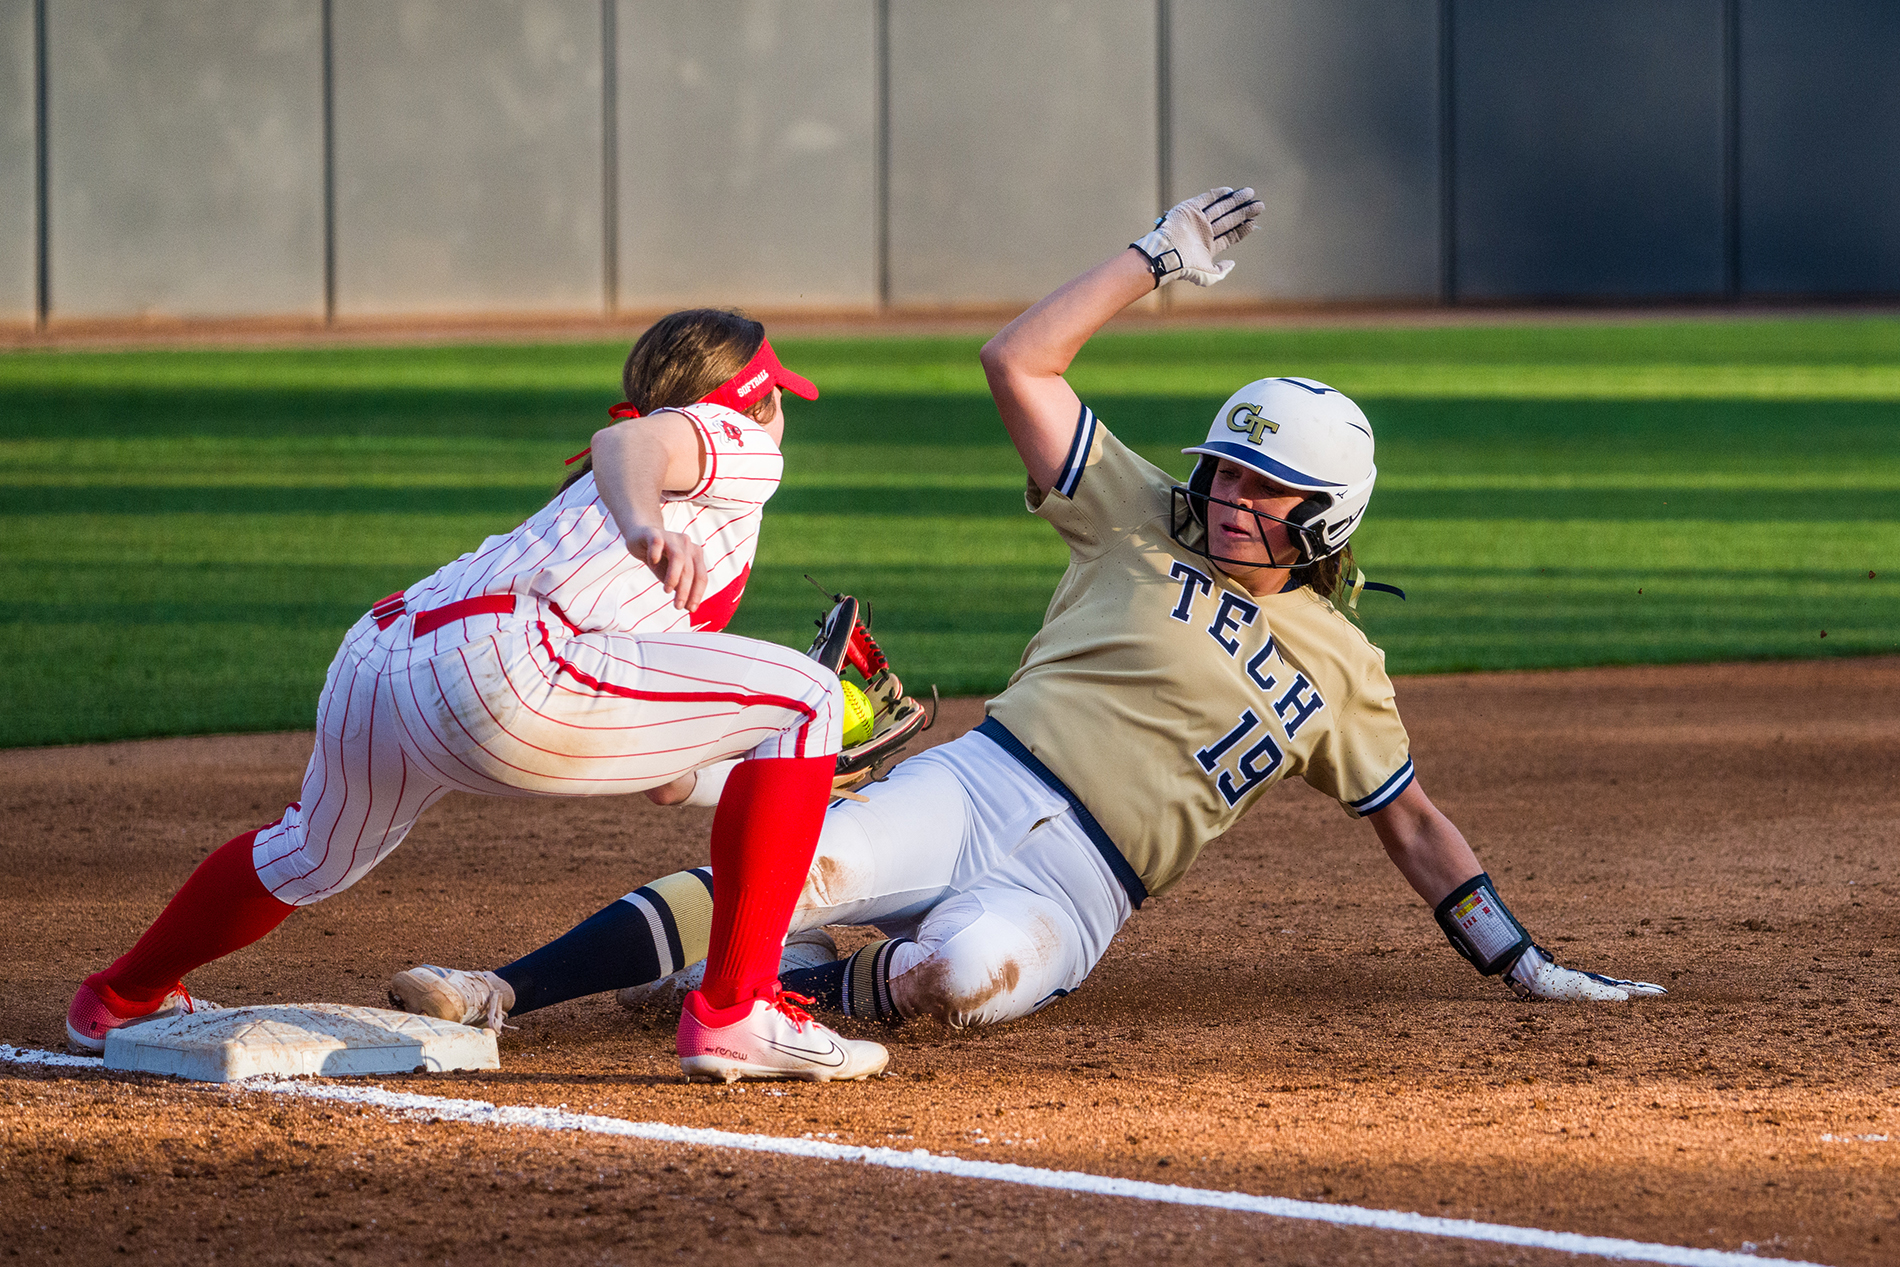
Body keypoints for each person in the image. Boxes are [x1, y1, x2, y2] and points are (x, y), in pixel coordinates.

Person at [387, 188, 1664, 1036]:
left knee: (967, 979)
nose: (1227, 500)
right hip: (985, 781)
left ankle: (768, 984)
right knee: (793, 864)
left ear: (1327, 520)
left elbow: (1416, 824)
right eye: (1224, 471)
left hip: (1084, 882)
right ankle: (502, 988)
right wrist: (1156, 258)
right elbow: (1017, 360)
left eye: (1266, 493)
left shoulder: (1343, 667)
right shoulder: (1135, 507)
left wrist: (1519, 958)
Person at [67, 309, 889, 1083]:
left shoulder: (654, 538)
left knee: (308, 853)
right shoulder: (736, 443)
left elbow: (666, 777)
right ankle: (738, 1011)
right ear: (751, 400)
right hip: (503, 665)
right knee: (811, 692)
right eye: (777, 396)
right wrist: (644, 525)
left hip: (384, 655)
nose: (782, 414)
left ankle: (118, 996)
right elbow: (629, 440)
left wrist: (792, 770)